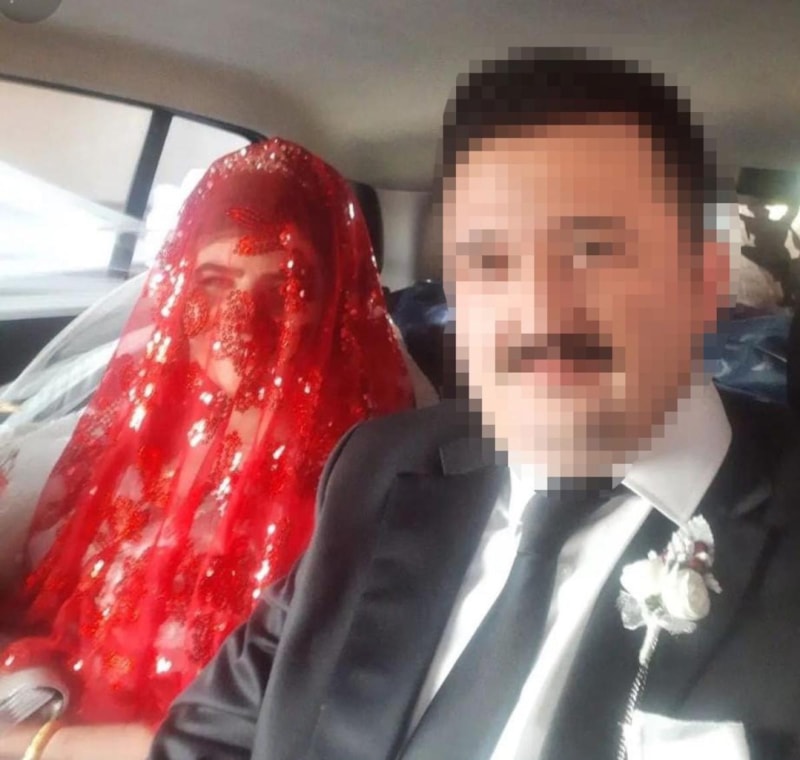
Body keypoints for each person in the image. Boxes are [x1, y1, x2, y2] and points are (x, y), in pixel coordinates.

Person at [149, 50, 800, 760]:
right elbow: (209, 737)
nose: (538, 310)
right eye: (488, 261)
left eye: (595, 248)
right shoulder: (381, 466)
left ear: (703, 281)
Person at [0, 137, 418, 758]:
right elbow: (63, 618)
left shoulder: (368, 488)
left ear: (333, 303)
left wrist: (38, 746)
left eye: (286, 287)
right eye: (215, 282)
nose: (240, 320)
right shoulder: (149, 442)